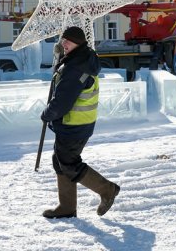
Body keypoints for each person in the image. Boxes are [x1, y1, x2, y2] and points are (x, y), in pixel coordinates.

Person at [41, 26, 120, 219]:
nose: (63, 43)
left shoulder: (76, 67)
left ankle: (107, 190)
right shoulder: (82, 59)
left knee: (69, 163)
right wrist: (60, 58)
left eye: (68, 40)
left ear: (79, 42)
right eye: (62, 40)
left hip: (73, 125)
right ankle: (67, 207)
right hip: (78, 123)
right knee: (60, 160)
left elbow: (63, 101)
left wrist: (47, 114)